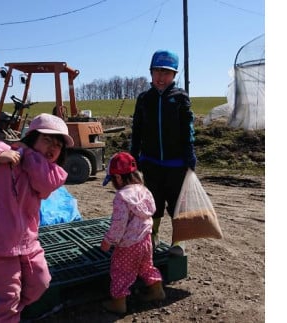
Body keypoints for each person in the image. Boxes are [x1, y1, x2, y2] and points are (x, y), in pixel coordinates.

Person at [0, 113, 74, 323]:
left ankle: (7, 309)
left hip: (27, 243)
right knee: (8, 296)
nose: (53, 148)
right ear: (31, 137)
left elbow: (47, 182)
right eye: (47, 140)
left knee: (41, 281)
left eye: (58, 145)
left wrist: (29, 156)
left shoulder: (48, 173)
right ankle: (6, 311)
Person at [130, 49, 197, 257]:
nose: (161, 77)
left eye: (166, 73)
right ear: (151, 72)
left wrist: (189, 154)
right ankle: (153, 235)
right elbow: (137, 128)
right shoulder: (144, 98)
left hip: (176, 163)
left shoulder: (180, 98)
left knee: (177, 203)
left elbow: (188, 129)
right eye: (157, 71)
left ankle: (178, 242)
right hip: (150, 162)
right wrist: (134, 155)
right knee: (153, 203)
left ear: (174, 75)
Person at [100, 152, 166, 314]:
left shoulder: (121, 196)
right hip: (146, 240)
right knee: (146, 266)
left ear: (119, 178)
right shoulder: (144, 190)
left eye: (113, 181)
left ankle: (119, 304)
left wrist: (108, 241)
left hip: (129, 245)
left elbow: (119, 225)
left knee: (120, 272)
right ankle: (157, 291)